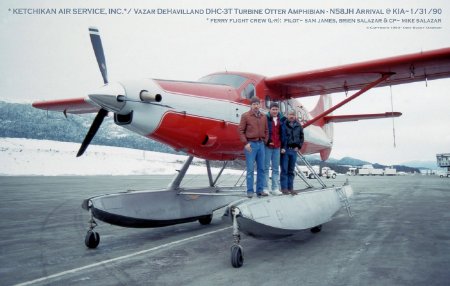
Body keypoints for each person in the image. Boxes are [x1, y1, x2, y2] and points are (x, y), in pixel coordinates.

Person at [238, 96, 269, 198]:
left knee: (261, 169)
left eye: (257, 104)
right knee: (250, 169)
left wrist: (265, 141)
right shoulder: (245, 116)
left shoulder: (264, 117)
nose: (256, 106)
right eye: (254, 104)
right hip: (250, 145)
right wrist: (245, 143)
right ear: (251, 105)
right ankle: (250, 191)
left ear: (260, 105)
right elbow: (241, 131)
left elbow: (267, 131)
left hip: (261, 145)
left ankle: (259, 190)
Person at [280, 109, 304, 195]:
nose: (291, 116)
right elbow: (280, 136)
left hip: (294, 151)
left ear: (295, 116)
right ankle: (284, 188)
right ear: (287, 115)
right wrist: (282, 147)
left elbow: (301, 137)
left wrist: (299, 146)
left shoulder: (299, 125)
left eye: (293, 115)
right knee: (284, 170)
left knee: (291, 170)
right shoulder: (283, 124)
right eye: (290, 114)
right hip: (285, 149)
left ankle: (291, 188)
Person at [263, 102, 283, 196]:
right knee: (266, 168)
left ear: (278, 110)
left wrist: (282, 145)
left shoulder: (281, 120)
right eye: (273, 109)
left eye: (276, 109)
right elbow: (263, 131)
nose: (275, 111)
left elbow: (282, 133)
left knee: (275, 168)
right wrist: (266, 142)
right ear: (269, 110)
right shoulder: (265, 119)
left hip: (277, 147)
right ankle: (265, 188)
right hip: (268, 147)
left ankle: (275, 188)